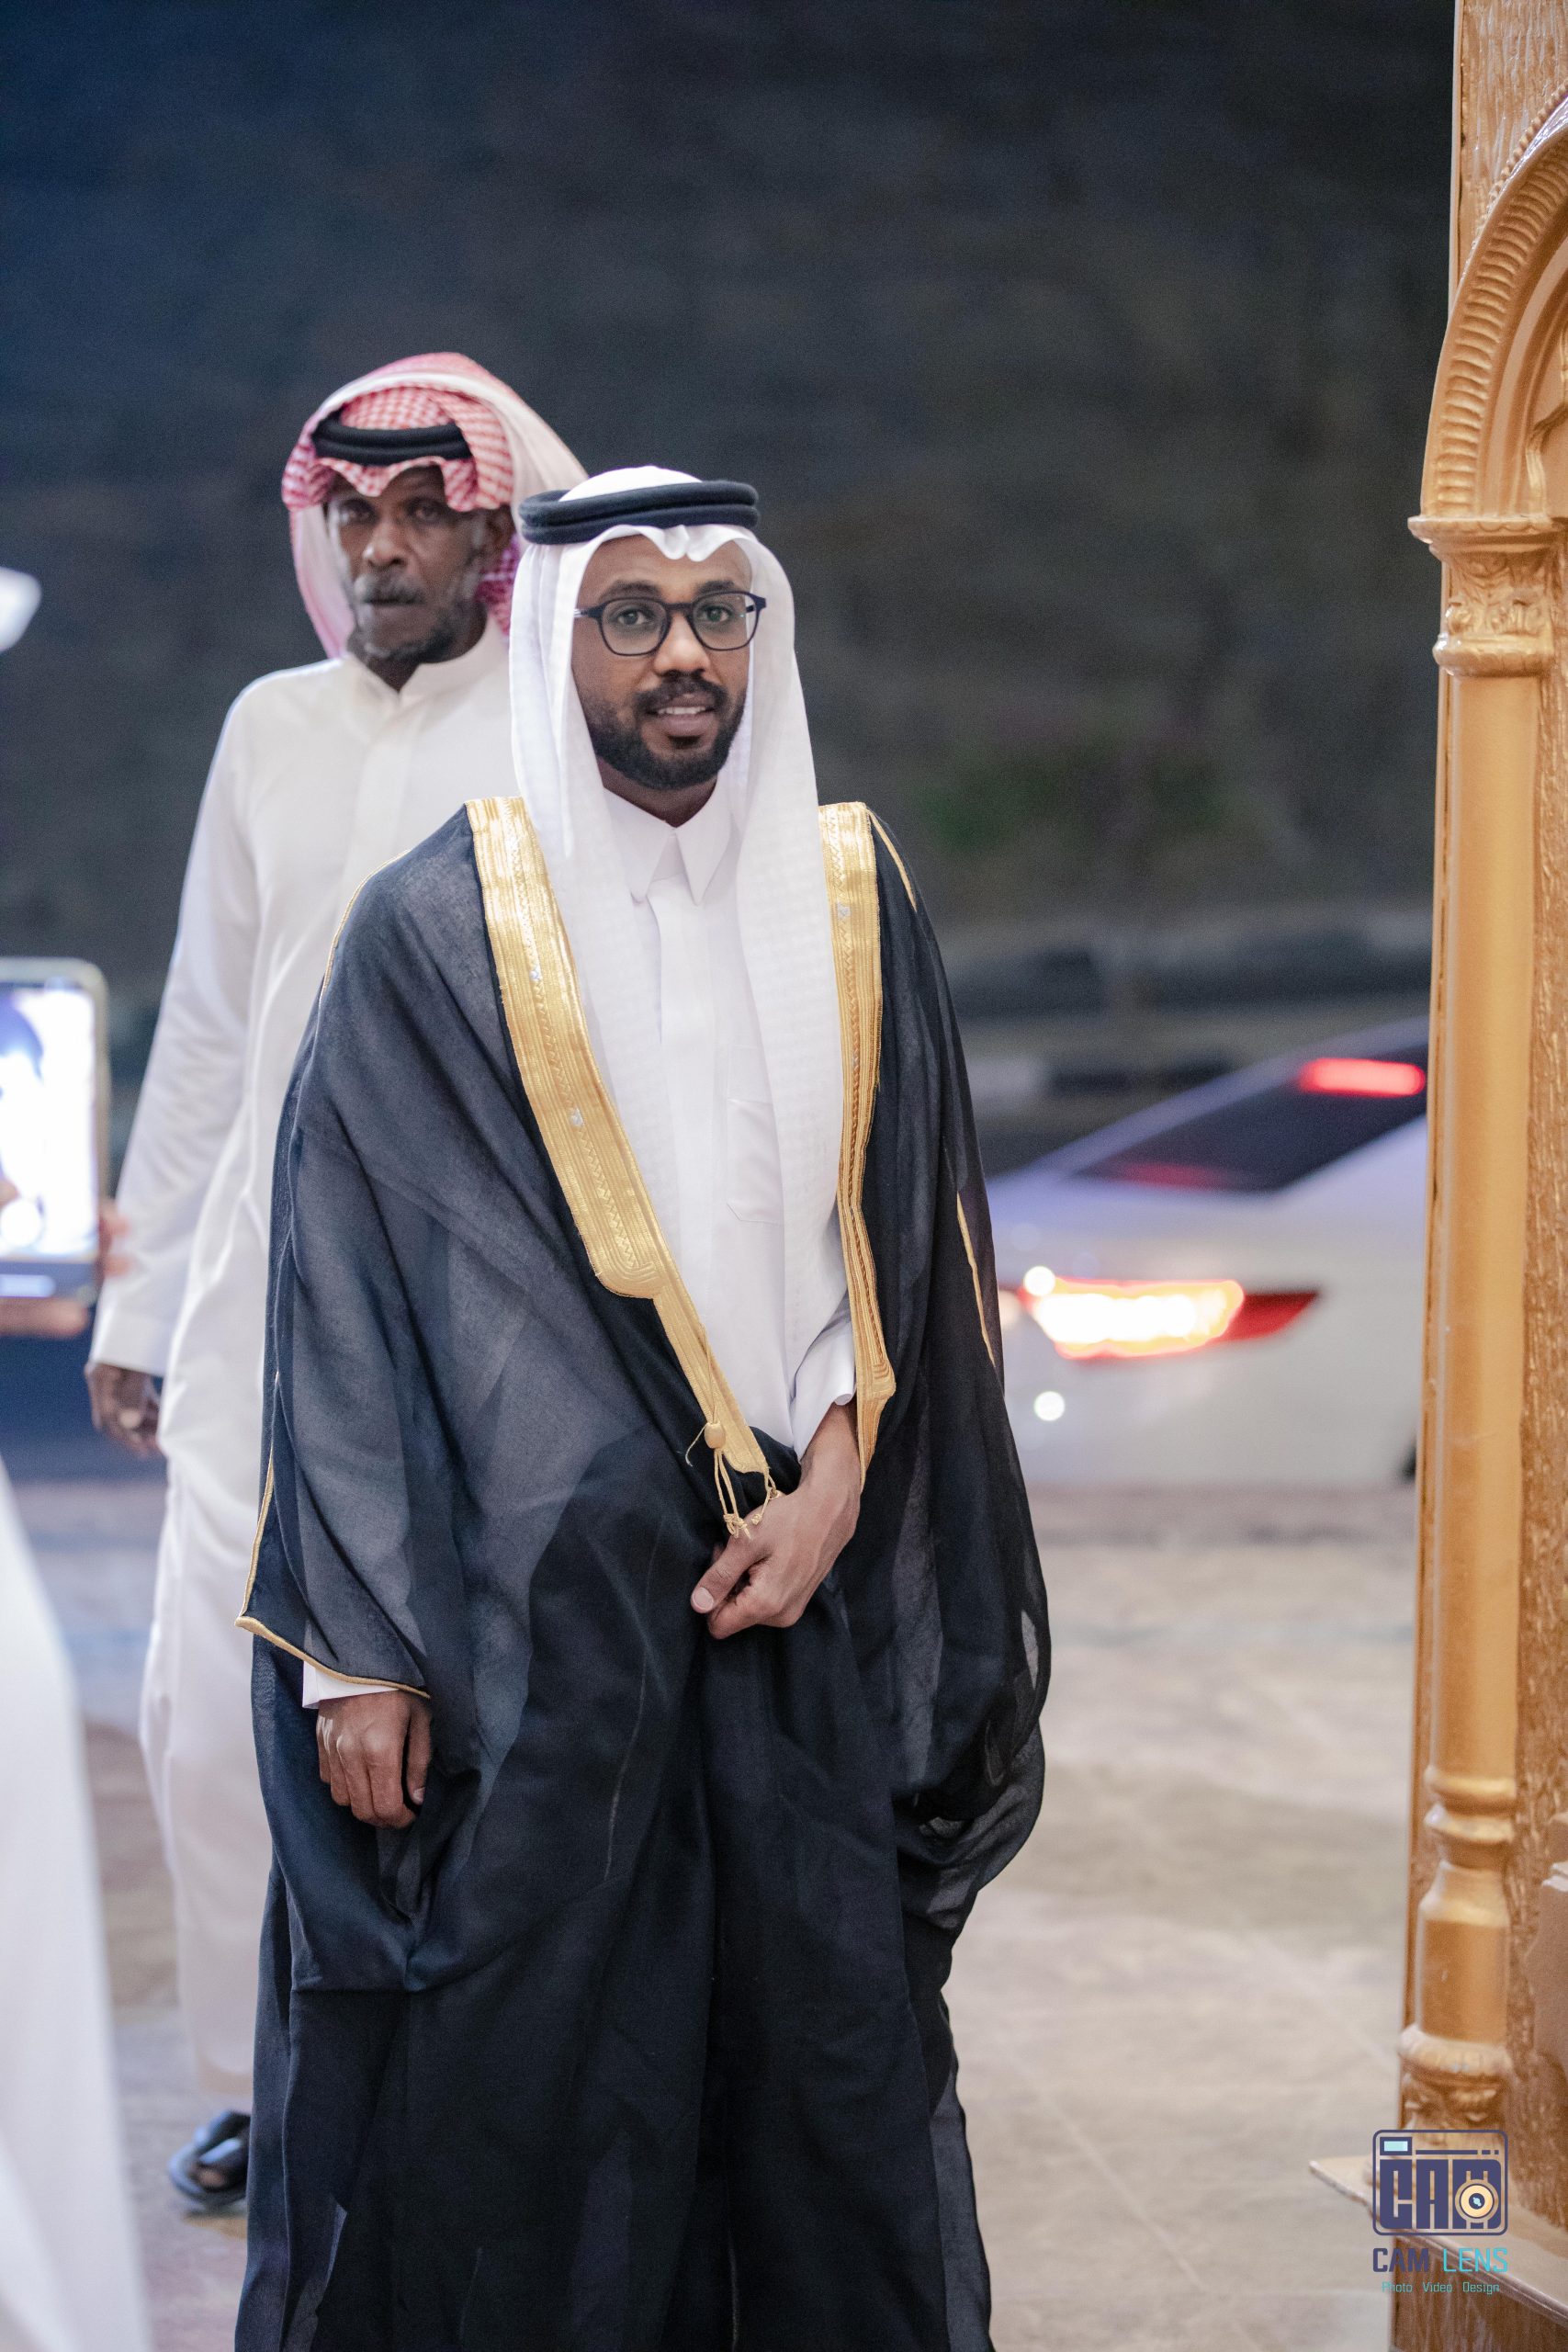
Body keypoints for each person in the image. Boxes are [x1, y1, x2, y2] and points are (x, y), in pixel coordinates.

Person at [238, 469, 1049, 2351]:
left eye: (715, 613)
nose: (681, 656)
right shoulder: (437, 930)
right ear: (555, 642)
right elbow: (347, 1293)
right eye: (632, 616)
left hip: (793, 1598)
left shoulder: (849, 898)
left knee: (815, 2075)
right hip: (538, 1638)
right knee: (535, 2099)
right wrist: (356, 1648)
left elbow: (899, 1245)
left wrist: (836, 1485)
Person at [85, 356, 584, 2211]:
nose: (384, 546)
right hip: (251, 1289)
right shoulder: (268, 727)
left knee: (466, 1694)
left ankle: (464, 2076)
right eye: (355, 513)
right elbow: (208, 1026)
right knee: (208, 1706)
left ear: (491, 529)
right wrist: (142, 1304)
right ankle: (257, 2079)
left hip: (484, 1286)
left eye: (424, 513)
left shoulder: (556, 724)